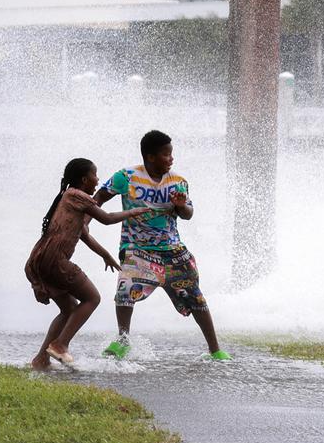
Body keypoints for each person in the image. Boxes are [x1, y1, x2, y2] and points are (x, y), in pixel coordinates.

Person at [95, 130, 231, 360]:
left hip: (172, 250)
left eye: (171, 154)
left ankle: (215, 350)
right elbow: (97, 200)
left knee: (196, 298)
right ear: (150, 157)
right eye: (166, 154)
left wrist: (180, 205)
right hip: (137, 247)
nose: (171, 158)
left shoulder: (178, 182)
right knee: (125, 287)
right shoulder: (126, 177)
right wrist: (84, 222)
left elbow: (188, 214)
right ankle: (122, 340)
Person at [26, 158, 150, 368]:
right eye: (95, 175)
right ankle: (60, 344)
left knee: (68, 309)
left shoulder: (68, 199)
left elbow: (84, 235)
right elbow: (107, 218)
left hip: (39, 260)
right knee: (92, 298)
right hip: (55, 260)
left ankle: (41, 359)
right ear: (84, 179)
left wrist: (105, 255)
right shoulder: (78, 196)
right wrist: (133, 212)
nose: (98, 179)